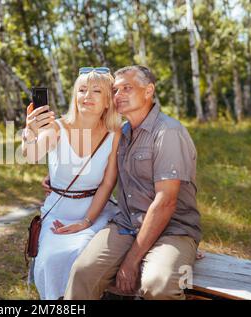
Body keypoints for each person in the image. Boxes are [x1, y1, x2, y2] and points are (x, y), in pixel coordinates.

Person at [42, 65, 202, 300]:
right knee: (82, 272)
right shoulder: (122, 133)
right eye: (115, 90)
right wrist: (56, 178)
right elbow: (101, 172)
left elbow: (166, 202)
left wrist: (132, 259)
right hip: (127, 224)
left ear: (148, 91)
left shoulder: (168, 132)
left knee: (157, 287)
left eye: (127, 88)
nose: (118, 95)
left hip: (172, 229)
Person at [21, 67, 122, 300]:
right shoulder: (57, 127)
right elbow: (32, 155)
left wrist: (86, 222)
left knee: (83, 257)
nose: (87, 96)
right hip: (58, 214)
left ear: (108, 101)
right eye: (82, 90)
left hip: (95, 213)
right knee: (49, 260)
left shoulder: (114, 133)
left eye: (97, 91)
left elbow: (108, 184)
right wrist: (30, 132)